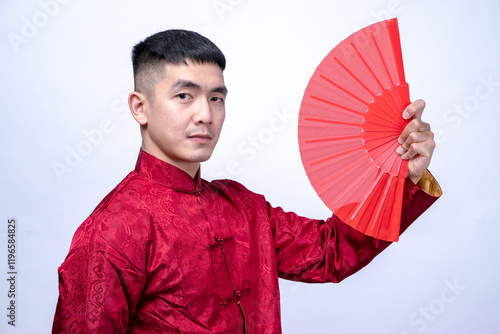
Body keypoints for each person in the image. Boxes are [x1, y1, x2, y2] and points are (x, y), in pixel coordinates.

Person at [52, 29, 441, 333]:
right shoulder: (111, 231)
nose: (205, 114)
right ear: (140, 107)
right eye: (185, 95)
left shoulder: (242, 205)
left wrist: (404, 174)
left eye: (217, 98)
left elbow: (330, 253)